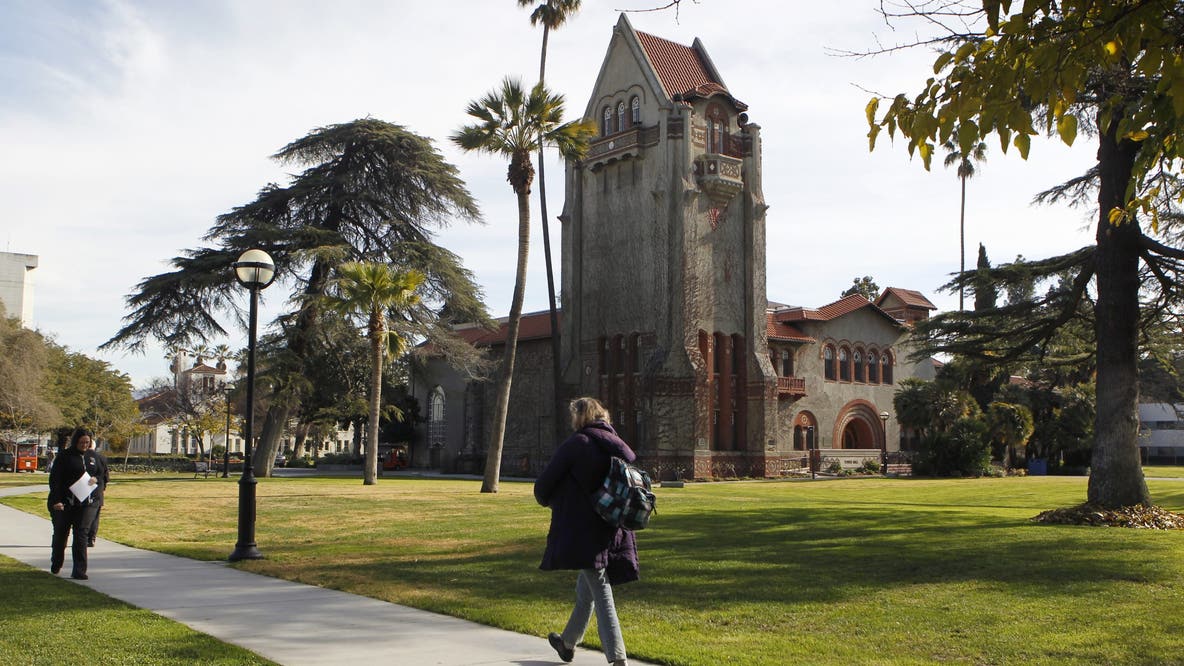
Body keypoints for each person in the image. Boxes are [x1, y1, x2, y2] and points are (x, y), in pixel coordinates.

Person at [534, 397, 638, 666]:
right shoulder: (616, 444)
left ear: (580, 416)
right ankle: (567, 644)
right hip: (612, 524)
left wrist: (551, 498)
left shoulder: (577, 444)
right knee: (587, 590)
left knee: (600, 588)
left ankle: (618, 658)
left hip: (584, 529)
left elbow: (543, 486)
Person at [47, 428, 101, 579]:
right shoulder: (64, 457)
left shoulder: (92, 456)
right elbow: (55, 480)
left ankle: (79, 570)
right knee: (61, 534)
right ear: (75, 441)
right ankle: (57, 561)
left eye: (87, 442)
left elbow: (100, 474)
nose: (84, 445)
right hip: (65, 503)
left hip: (86, 503)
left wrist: (96, 479)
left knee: (81, 535)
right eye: (82, 442)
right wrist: (57, 500)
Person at [84, 442, 110, 547]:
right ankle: (92, 538)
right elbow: (106, 476)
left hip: (83, 490)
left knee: (84, 516)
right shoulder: (101, 458)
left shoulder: (81, 457)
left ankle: (83, 537)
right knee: (95, 517)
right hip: (97, 491)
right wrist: (103, 487)